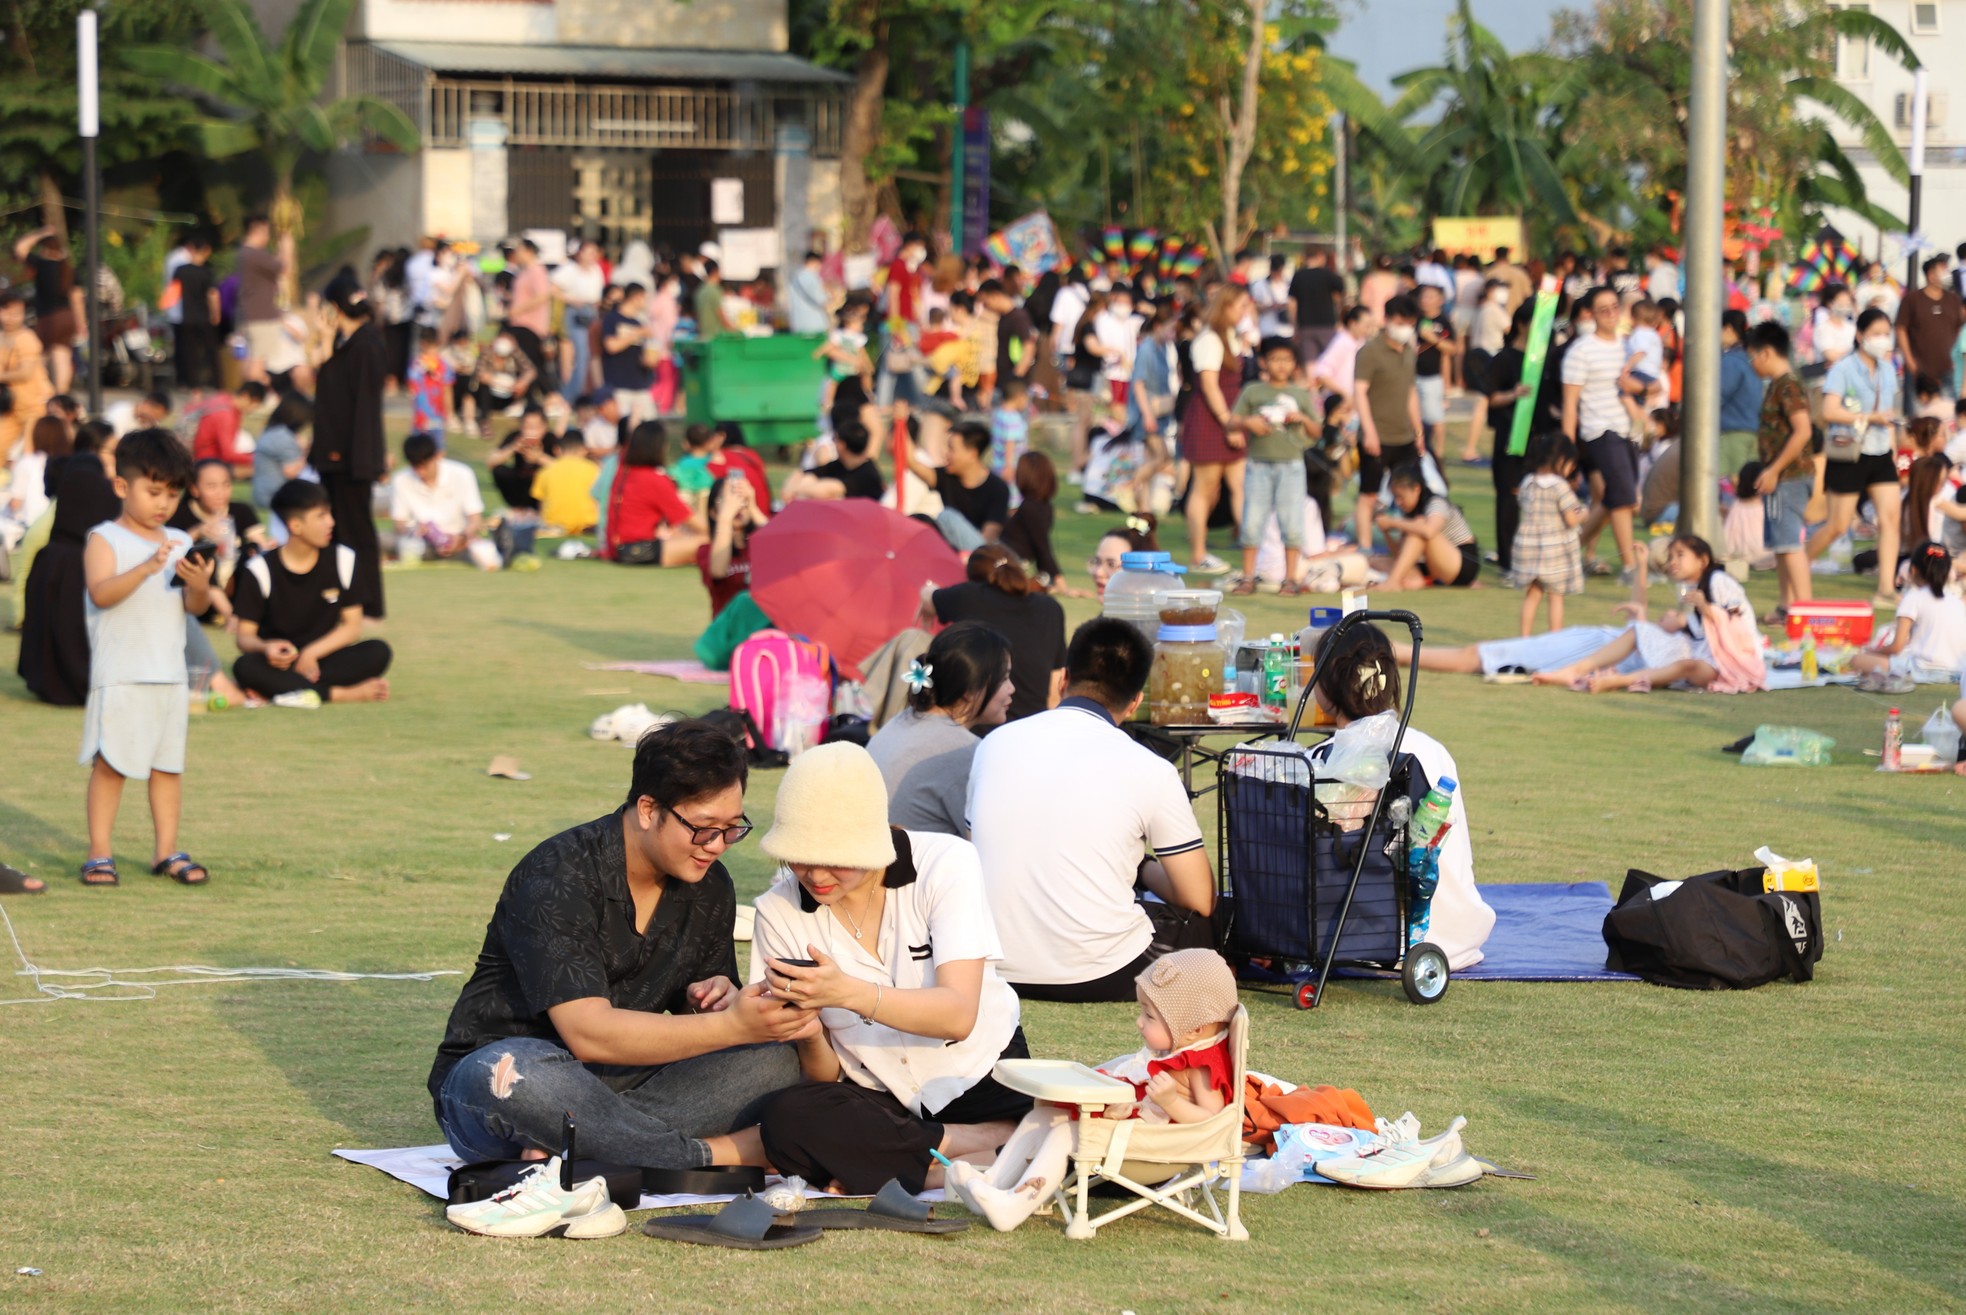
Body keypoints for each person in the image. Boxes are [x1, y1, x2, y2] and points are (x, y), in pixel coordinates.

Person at [430, 718, 808, 1169]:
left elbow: (699, 1024)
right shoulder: (558, 873)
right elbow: (588, 1034)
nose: (718, 845)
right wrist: (731, 1028)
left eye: (732, 828)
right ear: (648, 809)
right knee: (505, 1075)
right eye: (704, 828)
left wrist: (716, 1003)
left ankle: (579, 1146)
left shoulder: (710, 886)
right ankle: (707, 1154)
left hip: (631, 1083)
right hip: (521, 1074)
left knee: (776, 1060)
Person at [748, 742, 1032, 1196]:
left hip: (982, 1072)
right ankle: (977, 1147)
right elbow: (822, 1078)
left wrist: (845, 993)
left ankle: (911, 1164)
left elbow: (957, 1016)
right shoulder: (777, 911)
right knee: (788, 1118)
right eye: (800, 855)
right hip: (883, 1098)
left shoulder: (946, 863)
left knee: (1098, 1152)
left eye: (836, 858)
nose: (816, 874)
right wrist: (808, 1034)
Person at [965, 617, 1215, 1001]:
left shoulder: (994, 743)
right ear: (1135, 702)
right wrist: (1144, 869)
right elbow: (1199, 899)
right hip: (1104, 971)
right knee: (1209, 926)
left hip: (989, 964)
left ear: (1064, 679)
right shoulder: (1151, 768)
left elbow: (977, 853)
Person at [948, 948, 1240, 1232]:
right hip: (1134, 1129)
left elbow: (1212, 1120)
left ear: (1194, 1029)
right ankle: (993, 1184)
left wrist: (1173, 1101)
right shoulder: (1177, 1047)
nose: (1140, 1023)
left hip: (1157, 1144)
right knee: (1044, 1116)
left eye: (1149, 1017)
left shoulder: (1202, 1064)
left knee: (1068, 1133)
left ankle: (1016, 1204)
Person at [77, 429, 215, 888]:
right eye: (153, 491)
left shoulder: (178, 538)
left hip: (169, 676)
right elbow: (102, 593)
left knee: (167, 767)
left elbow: (193, 609)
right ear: (122, 487)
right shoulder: (105, 539)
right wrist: (145, 568)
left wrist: (199, 583)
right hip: (121, 675)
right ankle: (100, 853)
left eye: (172, 494)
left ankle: (166, 851)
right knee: (112, 765)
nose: (164, 503)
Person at [1310, 623, 1493, 967]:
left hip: (1368, 943)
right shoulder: (1432, 749)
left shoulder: (1323, 758)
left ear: (1323, 685)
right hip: (1457, 937)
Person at [1534, 535, 1762, 694]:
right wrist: (1642, 566)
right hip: (1700, 654)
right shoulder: (1691, 588)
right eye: (1670, 557)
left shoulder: (1719, 582)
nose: (1672, 562)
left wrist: (1707, 609)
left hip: (1729, 665)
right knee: (1638, 630)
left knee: (1687, 665)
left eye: (1680, 555)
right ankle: (1574, 671)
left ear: (1702, 560)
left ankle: (1615, 681)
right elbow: (1678, 630)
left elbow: (1742, 628)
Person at [233, 480, 392, 705]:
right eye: (321, 516)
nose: (331, 522)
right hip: (279, 663)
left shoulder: (343, 559)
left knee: (378, 651)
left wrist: (311, 653)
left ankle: (282, 691)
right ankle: (341, 694)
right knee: (245, 667)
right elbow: (244, 636)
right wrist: (265, 647)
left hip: (325, 657)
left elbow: (352, 626)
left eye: (329, 514)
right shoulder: (260, 570)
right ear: (295, 526)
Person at [866, 623, 1014, 837]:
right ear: (970, 690)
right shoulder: (965, 752)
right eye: (1004, 679)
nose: (1012, 689)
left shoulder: (902, 719)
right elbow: (989, 843)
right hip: (908, 867)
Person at [18, 422, 120, 706]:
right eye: (113, 452)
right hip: (80, 682)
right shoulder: (90, 485)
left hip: (45, 680)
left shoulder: (53, 547)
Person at [1814, 309, 1906, 610]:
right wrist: (1867, 417)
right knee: (1838, 526)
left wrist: (1892, 447)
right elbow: (1828, 411)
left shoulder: (1888, 369)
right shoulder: (1843, 368)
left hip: (1880, 452)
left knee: (1891, 520)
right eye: (1877, 333)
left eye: (1886, 332)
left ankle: (1886, 589)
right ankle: (1797, 564)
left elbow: (1889, 415)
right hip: (1849, 451)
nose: (1883, 339)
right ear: (1860, 336)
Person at [310, 285, 389, 619]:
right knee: (339, 531)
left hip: (350, 458)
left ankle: (368, 605)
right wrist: (327, 341)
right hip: (340, 455)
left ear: (334, 308)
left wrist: (363, 460)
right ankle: (347, 602)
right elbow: (327, 387)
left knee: (356, 532)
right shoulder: (352, 344)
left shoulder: (366, 346)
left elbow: (362, 410)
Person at [931, 544, 1066, 722]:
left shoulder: (968, 596)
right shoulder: (1051, 607)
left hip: (981, 727)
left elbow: (927, 596)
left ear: (973, 578)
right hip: (1032, 726)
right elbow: (1055, 682)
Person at [1562, 285, 1642, 582]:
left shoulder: (1628, 346)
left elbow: (1651, 384)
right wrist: (1568, 451)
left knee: (1619, 500)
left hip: (1629, 431)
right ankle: (1631, 567)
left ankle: (1570, 553)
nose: (1610, 314)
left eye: (1614, 307)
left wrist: (1640, 389)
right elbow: (1570, 404)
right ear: (1591, 314)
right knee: (1621, 497)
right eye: (1603, 309)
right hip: (1599, 431)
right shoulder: (1580, 350)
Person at [1229, 336, 1318, 594]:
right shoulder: (1253, 391)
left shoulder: (1299, 394)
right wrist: (1249, 423)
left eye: (1287, 360)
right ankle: (1248, 576)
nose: (1281, 365)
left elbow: (1316, 431)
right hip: (1258, 464)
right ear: (1263, 362)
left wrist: (1301, 417)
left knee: (1292, 522)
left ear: (1294, 365)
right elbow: (1232, 422)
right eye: (1275, 359)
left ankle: (1290, 579)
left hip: (1291, 465)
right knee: (1252, 520)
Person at [1180, 285, 1254, 576]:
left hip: (1230, 415)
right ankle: (1198, 554)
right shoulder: (1209, 340)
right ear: (1225, 308)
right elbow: (1210, 385)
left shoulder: (1232, 337)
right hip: (1212, 419)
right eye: (1240, 307)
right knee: (1205, 489)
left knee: (1239, 486)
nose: (1244, 312)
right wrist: (1228, 422)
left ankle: (1251, 549)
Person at [1746, 320, 1816, 617]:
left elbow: (1803, 431)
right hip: (1785, 477)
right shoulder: (1780, 384)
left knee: (1789, 544)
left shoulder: (1788, 384)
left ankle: (1805, 611)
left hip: (1789, 477)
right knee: (1781, 544)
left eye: (1752, 356)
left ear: (1765, 353)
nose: (1751, 363)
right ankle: (1787, 606)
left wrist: (1774, 470)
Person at [1353, 296, 1425, 553]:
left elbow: (1411, 393)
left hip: (1403, 436)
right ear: (1387, 320)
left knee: (1412, 493)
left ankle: (1410, 548)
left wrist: (1418, 430)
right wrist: (1369, 432)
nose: (1404, 326)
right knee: (1369, 494)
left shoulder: (1408, 351)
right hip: (1376, 435)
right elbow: (1359, 392)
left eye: (1409, 322)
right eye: (1400, 321)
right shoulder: (1370, 352)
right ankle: (1365, 547)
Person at [1851, 543, 1966, 683]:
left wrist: (1871, 652)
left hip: (1921, 671)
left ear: (1913, 570)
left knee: (1857, 660)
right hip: (1958, 673)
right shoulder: (1957, 602)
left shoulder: (1913, 598)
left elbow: (1896, 647)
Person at [389, 432, 500, 571]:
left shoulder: (462, 474)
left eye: (424, 466)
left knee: (484, 552)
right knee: (383, 541)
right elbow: (399, 524)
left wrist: (461, 538)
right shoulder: (401, 479)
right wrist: (415, 530)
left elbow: (476, 520)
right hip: (420, 543)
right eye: (415, 467)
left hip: (460, 541)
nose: (420, 473)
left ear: (437, 457)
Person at [1511, 434, 1587, 634]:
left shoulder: (1527, 481)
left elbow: (1523, 505)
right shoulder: (1560, 486)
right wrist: (1584, 514)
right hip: (1553, 548)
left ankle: (1524, 637)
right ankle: (1555, 639)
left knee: (1533, 594)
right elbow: (1570, 519)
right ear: (1561, 460)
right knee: (1555, 595)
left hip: (1527, 545)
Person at [901, 418, 1010, 552]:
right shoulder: (947, 477)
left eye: (952, 449)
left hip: (981, 556)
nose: (947, 454)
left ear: (972, 453)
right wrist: (901, 422)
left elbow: (988, 540)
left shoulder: (997, 488)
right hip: (953, 554)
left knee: (947, 517)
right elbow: (913, 463)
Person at [604, 421, 702, 566]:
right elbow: (690, 520)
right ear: (661, 447)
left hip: (616, 549)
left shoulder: (623, 472)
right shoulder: (654, 479)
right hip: (638, 550)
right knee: (709, 541)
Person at [1376, 463, 1479, 590]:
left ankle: (1392, 583)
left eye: (1401, 497)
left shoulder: (1436, 503)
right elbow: (1400, 556)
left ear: (1416, 489)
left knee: (1419, 527)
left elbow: (1429, 531)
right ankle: (1395, 581)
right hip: (1436, 564)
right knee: (1378, 561)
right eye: (1395, 497)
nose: (1398, 502)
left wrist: (1393, 522)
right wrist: (1385, 531)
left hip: (1463, 564)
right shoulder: (1411, 513)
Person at [236, 215, 296, 383]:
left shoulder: (245, 253)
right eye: (266, 231)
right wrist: (287, 247)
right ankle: (260, 396)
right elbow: (285, 269)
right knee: (258, 365)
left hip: (251, 315)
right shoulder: (254, 254)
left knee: (251, 360)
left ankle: (250, 396)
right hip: (262, 317)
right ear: (258, 229)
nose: (268, 236)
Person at [1897, 255, 1965, 399]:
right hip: (1919, 369)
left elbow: (1959, 330)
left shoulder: (1954, 299)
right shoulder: (1912, 299)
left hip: (1948, 369)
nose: (1948, 274)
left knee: (1948, 415)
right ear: (1931, 275)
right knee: (1917, 417)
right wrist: (1909, 361)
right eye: (1943, 270)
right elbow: (1900, 329)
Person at [700, 469, 765, 616]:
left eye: (741, 499)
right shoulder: (706, 551)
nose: (736, 506)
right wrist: (725, 517)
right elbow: (718, 570)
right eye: (727, 499)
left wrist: (753, 507)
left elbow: (782, 547)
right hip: (729, 632)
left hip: (761, 631)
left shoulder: (759, 545)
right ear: (713, 512)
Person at [0, 289, 55, 458]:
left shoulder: (27, 338)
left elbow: (25, 373)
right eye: (6, 312)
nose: (11, 317)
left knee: (29, 453)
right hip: (11, 407)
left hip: (35, 405)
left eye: (16, 313)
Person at [552, 240, 606, 402]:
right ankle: (572, 395)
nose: (592, 256)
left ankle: (584, 391)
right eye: (588, 252)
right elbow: (553, 290)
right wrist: (572, 300)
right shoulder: (569, 270)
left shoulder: (596, 270)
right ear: (580, 253)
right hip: (576, 313)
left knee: (592, 355)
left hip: (592, 312)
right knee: (582, 354)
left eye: (594, 253)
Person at [1001, 452, 1063, 588]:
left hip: (1007, 557)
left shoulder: (1030, 507)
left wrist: (1058, 579)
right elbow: (1039, 546)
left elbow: (1041, 546)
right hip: (1013, 558)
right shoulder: (1042, 507)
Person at [600, 282, 659, 426]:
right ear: (636, 297)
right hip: (618, 385)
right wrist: (637, 333)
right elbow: (611, 346)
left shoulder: (639, 322)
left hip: (640, 384)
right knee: (623, 427)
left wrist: (649, 361)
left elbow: (647, 354)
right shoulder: (612, 319)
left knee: (649, 426)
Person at [170, 233, 222, 392]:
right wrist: (216, 314)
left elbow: (173, 292)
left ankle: (193, 385)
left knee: (189, 353)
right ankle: (217, 382)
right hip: (203, 317)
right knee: (211, 350)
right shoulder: (206, 273)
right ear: (205, 251)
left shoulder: (180, 270)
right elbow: (213, 295)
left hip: (186, 317)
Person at [787, 417, 884, 502]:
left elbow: (830, 490)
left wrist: (795, 489)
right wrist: (794, 487)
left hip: (865, 519)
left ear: (842, 445)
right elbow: (804, 473)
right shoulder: (840, 465)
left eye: (835, 440)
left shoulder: (867, 474)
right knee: (808, 480)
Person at [1413, 282, 1459, 460]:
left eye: (1430, 296)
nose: (1425, 300)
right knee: (1415, 417)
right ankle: (1419, 450)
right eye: (1423, 296)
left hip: (1433, 377)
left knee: (1435, 417)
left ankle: (1438, 453)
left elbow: (1453, 349)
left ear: (1440, 300)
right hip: (1412, 375)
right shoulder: (1415, 319)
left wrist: (1433, 338)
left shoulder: (1444, 321)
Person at [1717, 310, 1764, 480]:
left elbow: (1717, 397)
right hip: (1752, 432)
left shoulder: (1730, 361)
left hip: (1732, 434)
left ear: (1728, 329)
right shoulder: (1750, 359)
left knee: (1731, 487)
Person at [532, 432, 603, 537]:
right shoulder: (593, 469)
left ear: (558, 450)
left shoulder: (545, 471)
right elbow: (600, 500)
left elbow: (541, 505)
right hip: (587, 525)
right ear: (583, 449)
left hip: (554, 526)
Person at [1289, 245, 1345, 367]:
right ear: (1320, 256)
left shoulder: (1298, 276)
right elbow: (1340, 294)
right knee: (1329, 360)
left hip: (1305, 325)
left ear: (1305, 257)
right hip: (1327, 324)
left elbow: (1292, 304)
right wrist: (1339, 319)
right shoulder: (1328, 274)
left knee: (1310, 361)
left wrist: (1294, 326)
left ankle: (1311, 384)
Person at [788, 249, 832, 336]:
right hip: (813, 324)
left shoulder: (796, 276)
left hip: (799, 322)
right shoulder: (809, 277)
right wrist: (830, 296)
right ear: (815, 262)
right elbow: (821, 299)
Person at [693, 259, 732, 340]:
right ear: (716, 271)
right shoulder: (715, 291)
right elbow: (721, 316)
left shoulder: (699, 291)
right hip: (716, 338)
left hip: (703, 337)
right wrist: (736, 331)